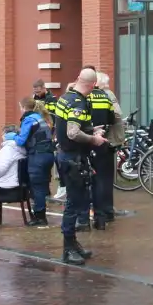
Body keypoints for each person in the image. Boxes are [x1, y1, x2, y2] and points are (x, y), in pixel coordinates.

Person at [53, 68, 107, 264]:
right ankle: (68, 249)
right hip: (73, 158)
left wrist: (91, 129)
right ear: (93, 86)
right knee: (73, 204)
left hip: (66, 156)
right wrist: (94, 139)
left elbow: (67, 125)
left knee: (78, 201)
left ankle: (73, 244)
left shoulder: (65, 98)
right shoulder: (78, 103)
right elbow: (73, 132)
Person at [85, 72, 122, 229]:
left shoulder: (103, 95)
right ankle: (106, 211)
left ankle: (102, 212)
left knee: (99, 179)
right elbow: (114, 116)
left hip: (102, 141)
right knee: (105, 178)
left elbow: (115, 116)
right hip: (109, 142)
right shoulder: (107, 96)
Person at [15, 96, 55, 226]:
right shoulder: (40, 118)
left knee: (36, 187)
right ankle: (40, 214)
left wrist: (12, 136)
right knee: (42, 187)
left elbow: (21, 140)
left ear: (23, 107)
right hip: (48, 155)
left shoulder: (28, 120)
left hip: (37, 156)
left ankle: (39, 217)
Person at [32, 79, 63, 200]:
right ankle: (45, 189)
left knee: (51, 158)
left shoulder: (52, 98)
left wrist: (54, 133)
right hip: (38, 131)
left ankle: (58, 184)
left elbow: (54, 117)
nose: (37, 94)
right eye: (35, 92)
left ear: (44, 88)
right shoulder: (34, 98)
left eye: (39, 91)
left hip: (49, 131)